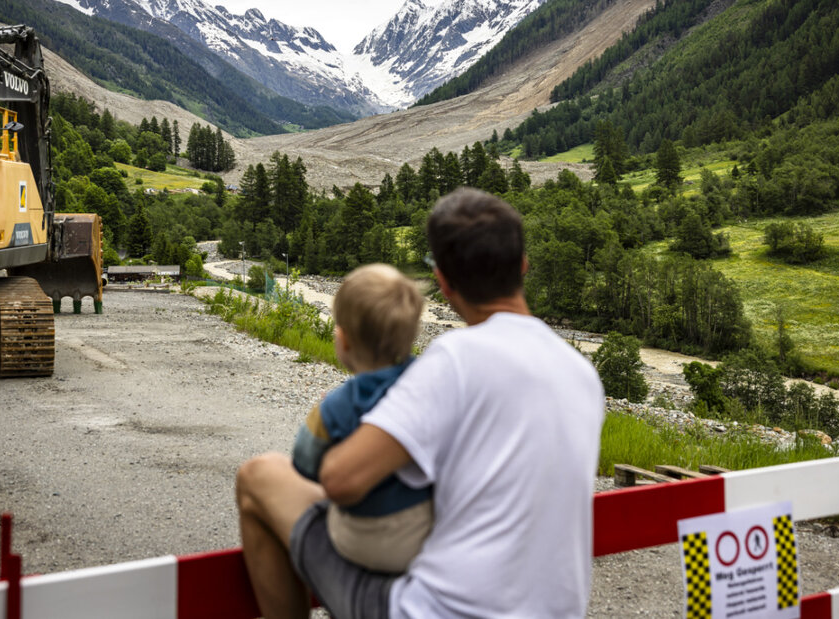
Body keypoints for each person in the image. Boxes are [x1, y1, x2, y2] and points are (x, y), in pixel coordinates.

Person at [235, 187, 605, 618]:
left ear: (444, 282)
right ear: (523, 265)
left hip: (436, 611)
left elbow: (341, 479)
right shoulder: (581, 374)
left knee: (259, 476)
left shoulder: (456, 358)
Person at [291, 263, 433, 574]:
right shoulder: (428, 385)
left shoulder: (338, 404)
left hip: (364, 539)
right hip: (427, 532)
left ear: (343, 340)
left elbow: (303, 461)